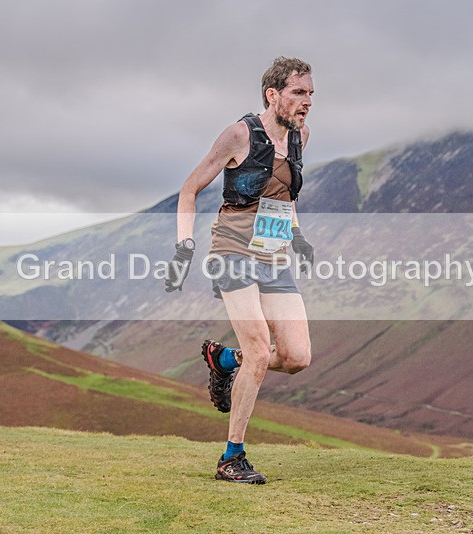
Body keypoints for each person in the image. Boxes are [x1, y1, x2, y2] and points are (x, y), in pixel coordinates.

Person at [164, 57, 315, 484]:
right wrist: (184, 247)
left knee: (296, 356)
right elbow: (189, 189)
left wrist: (298, 236)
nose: (306, 103)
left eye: (310, 95)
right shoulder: (239, 135)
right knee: (260, 350)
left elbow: (284, 196)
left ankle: (223, 359)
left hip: (274, 254)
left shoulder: (301, 136)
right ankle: (232, 457)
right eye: (298, 93)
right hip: (232, 250)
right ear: (273, 94)